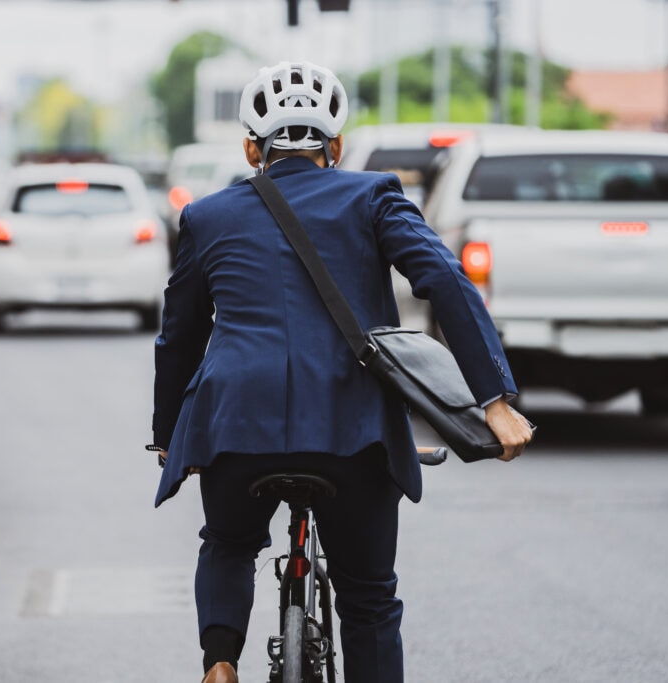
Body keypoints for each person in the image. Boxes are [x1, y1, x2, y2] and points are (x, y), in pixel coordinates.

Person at [150, 61, 533, 683]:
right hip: (352, 429)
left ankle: (220, 662)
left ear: (251, 148)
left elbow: (179, 336)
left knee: (228, 544)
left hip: (236, 422)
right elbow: (444, 281)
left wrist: (170, 433)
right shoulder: (374, 196)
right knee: (369, 598)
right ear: (336, 145)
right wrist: (494, 399)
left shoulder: (206, 216)